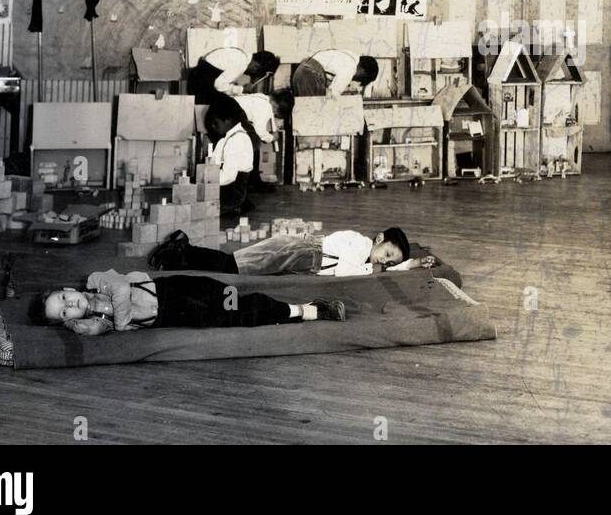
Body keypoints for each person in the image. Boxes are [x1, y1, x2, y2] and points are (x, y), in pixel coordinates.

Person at [27, 269, 348, 336]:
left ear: (69, 287)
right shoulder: (88, 319)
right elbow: (95, 330)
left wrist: (119, 323)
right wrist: (80, 324)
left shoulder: (96, 279)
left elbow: (122, 290)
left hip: (174, 290)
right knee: (238, 318)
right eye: (65, 312)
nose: (72, 303)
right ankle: (304, 312)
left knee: (235, 301)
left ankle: (305, 309)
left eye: (64, 297)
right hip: (173, 314)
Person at [148, 226, 435, 277]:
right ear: (379, 238)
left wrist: (410, 265)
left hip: (302, 252)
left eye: (389, 262)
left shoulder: (364, 249)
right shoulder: (360, 245)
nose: (382, 262)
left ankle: (184, 250)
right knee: (235, 266)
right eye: (386, 254)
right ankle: (182, 250)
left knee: (238, 263)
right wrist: (373, 268)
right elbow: (344, 271)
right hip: (304, 252)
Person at [204, 95, 255, 215]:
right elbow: (213, 164)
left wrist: (206, 180)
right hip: (222, 189)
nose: (212, 126)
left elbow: (228, 176)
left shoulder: (238, 139)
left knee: (200, 212)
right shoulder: (226, 139)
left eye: (216, 123)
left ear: (228, 120)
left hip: (231, 194)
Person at [291, 49, 379, 97]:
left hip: (301, 71)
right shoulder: (350, 69)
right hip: (309, 76)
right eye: (360, 78)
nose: (355, 79)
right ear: (363, 71)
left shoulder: (348, 55)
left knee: (302, 112)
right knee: (313, 113)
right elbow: (332, 96)